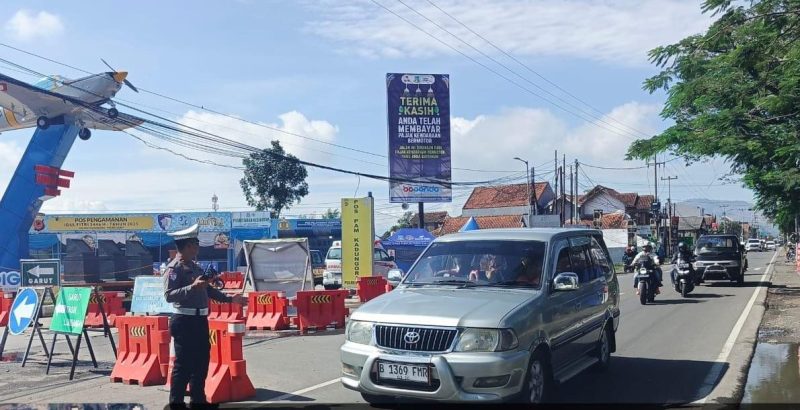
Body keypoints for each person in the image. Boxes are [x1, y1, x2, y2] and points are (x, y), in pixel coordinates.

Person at [163, 224, 246, 409]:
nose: (198, 247)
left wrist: (230, 299)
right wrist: (192, 287)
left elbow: (207, 290)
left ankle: (198, 401)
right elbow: (169, 295)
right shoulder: (174, 268)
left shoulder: (194, 266)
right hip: (184, 320)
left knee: (201, 362)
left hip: (200, 320)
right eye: (195, 244)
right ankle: (176, 403)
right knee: (183, 364)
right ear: (188, 246)